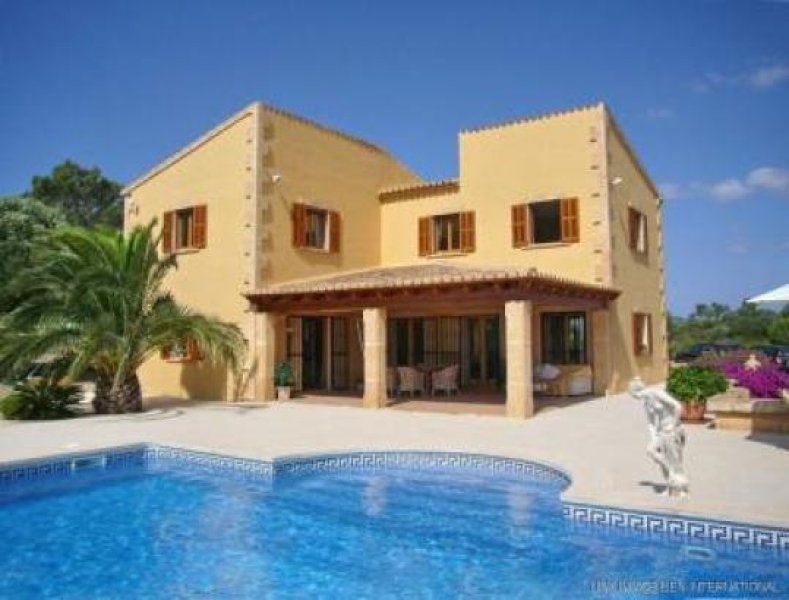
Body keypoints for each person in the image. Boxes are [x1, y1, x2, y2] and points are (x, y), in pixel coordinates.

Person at [628, 377, 689, 497]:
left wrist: (674, 423)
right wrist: (653, 438)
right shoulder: (646, 404)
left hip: (673, 430)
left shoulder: (657, 393)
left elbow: (677, 406)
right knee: (651, 450)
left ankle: (679, 488)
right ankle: (672, 477)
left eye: (633, 395)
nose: (635, 398)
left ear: (636, 392)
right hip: (661, 432)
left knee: (675, 459)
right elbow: (650, 423)